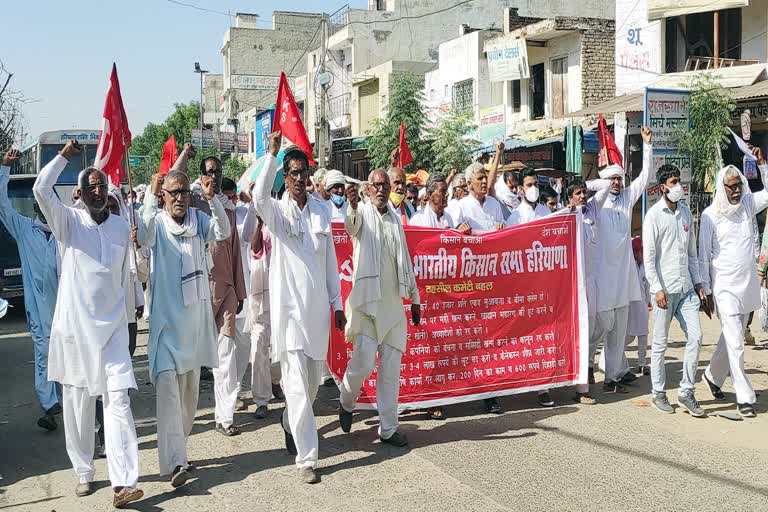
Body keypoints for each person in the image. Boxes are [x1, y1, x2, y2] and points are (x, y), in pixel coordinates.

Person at [33, 140, 143, 507]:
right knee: (78, 408)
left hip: (111, 331)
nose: (99, 190)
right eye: (91, 185)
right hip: (76, 332)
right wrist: (63, 156)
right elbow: (40, 188)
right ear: (79, 193)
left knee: (118, 401)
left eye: (103, 185)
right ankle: (83, 470)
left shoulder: (118, 227)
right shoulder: (67, 221)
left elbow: (126, 276)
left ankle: (123, 481)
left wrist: (133, 310)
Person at [253, 131, 346, 484]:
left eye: (302, 173)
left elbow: (330, 264)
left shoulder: (321, 211)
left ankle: (289, 420)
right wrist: (271, 157)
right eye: (291, 173)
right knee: (294, 386)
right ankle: (307, 459)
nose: (298, 179)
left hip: (318, 314)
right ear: (285, 177)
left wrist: (337, 303)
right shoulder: (276, 212)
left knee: (309, 387)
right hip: (289, 315)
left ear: (309, 176)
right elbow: (259, 196)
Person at [138, 170, 228, 487]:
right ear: (164, 195)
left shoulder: (197, 222)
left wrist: (211, 198)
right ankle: (177, 462)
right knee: (168, 397)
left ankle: (179, 449)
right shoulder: (158, 225)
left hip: (192, 330)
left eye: (183, 193)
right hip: (165, 330)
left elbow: (223, 229)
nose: (179, 198)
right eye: (172, 193)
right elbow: (143, 233)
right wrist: (150, 193)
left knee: (189, 402)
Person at [338, 169, 420, 447]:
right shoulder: (361, 212)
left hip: (393, 306)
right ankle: (346, 400)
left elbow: (405, 259)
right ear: (368, 189)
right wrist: (351, 207)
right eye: (377, 185)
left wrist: (416, 299)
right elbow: (351, 226)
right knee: (362, 362)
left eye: (386, 185)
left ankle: (388, 428)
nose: (382, 190)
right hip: (367, 304)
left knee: (390, 371)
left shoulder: (395, 220)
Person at [699, 154, 768, 418]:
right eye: (731, 186)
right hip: (724, 286)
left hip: (746, 283)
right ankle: (744, 396)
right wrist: (704, 288)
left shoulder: (748, 205)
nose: (736, 190)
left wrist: (762, 165)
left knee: (731, 337)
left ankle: (712, 376)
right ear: (721, 187)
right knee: (737, 341)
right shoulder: (709, 216)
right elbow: (703, 254)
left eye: (738, 184)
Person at [0, 149, 62, 431]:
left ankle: (71, 408)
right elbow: (3, 206)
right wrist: (4, 169)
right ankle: (49, 407)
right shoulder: (25, 230)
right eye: (39, 202)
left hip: (68, 312)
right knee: (43, 357)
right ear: (36, 206)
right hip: (39, 311)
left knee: (69, 361)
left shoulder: (67, 230)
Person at [642, 165, 707, 416]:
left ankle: (686, 391)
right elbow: (649, 258)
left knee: (697, 336)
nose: (679, 186)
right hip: (664, 291)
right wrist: (657, 289)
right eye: (674, 181)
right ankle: (658, 393)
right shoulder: (653, 216)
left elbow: (692, 254)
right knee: (660, 344)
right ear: (663, 188)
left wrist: (699, 283)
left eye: (679, 180)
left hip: (687, 288)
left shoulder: (686, 213)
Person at [594, 126, 653, 393]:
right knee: (603, 327)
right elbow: (584, 188)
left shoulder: (627, 199)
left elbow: (645, 177)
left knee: (621, 327)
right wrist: (603, 184)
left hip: (624, 275)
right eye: (613, 179)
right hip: (604, 276)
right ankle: (596, 370)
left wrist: (647, 145)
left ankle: (615, 373)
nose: (617, 183)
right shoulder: (597, 202)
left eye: (620, 179)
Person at [203, 171, 247, 436]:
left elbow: (235, 257)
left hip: (227, 290)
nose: (214, 178)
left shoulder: (229, 214)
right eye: (209, 173)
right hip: (199, 294)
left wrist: (239, 292)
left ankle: (225, 417)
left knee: (226, 355)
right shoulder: (194, 209)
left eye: (217, 173)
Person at [560, 177, 612, 404]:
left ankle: (586, 369)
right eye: (577, 193)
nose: (582, 196)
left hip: (592, 282)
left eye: (583, 192)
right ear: (569, 197)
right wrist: (568, 209)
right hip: (573, 284)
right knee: (576, 333)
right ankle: (580, 387)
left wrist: (583, 185)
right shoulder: (564, 215)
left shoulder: (592, 210)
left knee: (597, 326)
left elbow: (607, 185)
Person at [246, 212, 283, 419]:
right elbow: (254, 249)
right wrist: (258, 223)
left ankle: (275, 381)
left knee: (281, 350)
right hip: (260, 302)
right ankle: (261, 400)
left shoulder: (281, 221)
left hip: (281, 299)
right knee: (258, 348)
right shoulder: (252, 223)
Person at [453, 162, 506, 236]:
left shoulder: (494, 203)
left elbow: (503, 226)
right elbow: (453, 233)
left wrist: (501, 226)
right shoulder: (460, 207)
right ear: (469, 183)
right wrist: (459, 228)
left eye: (485, 178)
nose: (484, 181)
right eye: (480, 178)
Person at [626, 237, 650, 377]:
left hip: (642, 305)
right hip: (629, 304)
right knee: (627, 336)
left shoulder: (644, 265)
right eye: (639, 252)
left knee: (643, 335)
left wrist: (647, 303)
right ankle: (617, 361)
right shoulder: (629, 265)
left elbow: (647, 286)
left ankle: (642, 364)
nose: (641, 254)